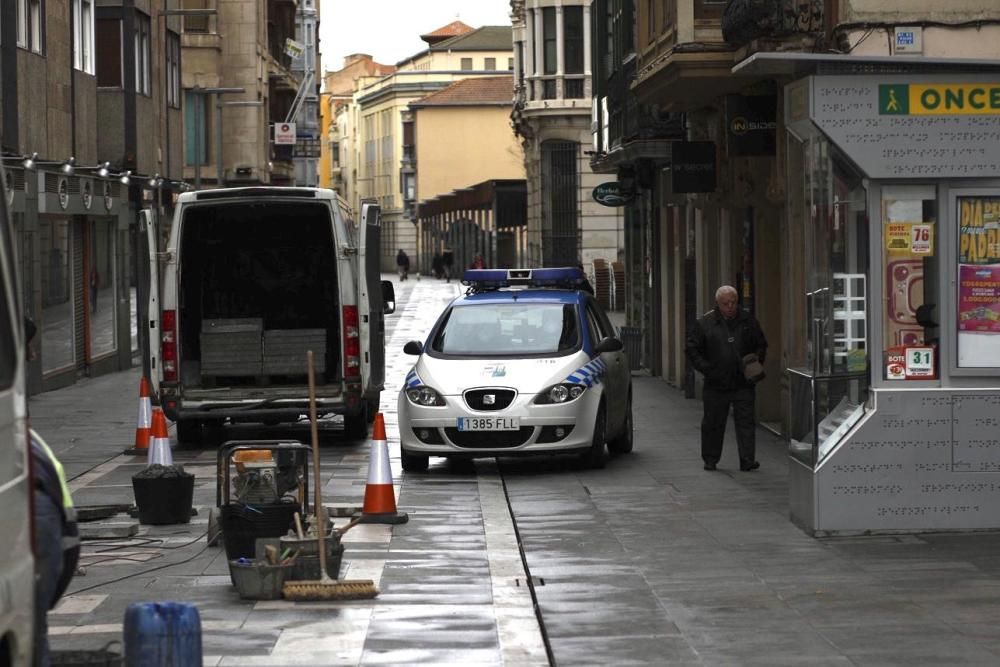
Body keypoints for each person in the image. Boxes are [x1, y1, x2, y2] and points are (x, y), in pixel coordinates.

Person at [685, 285, 768, 472]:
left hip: (743, 381)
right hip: (716, 382)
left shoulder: (748, 320)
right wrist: (707, 369)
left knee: (745, 421)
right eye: (725, 303)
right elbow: (692, 349)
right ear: (718, 304)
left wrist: (754, 364)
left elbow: (761, 344)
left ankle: (747, 459)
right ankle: (710, 459)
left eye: (733, 302)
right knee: (713, 422)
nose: (730, 306)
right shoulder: (705, 323)